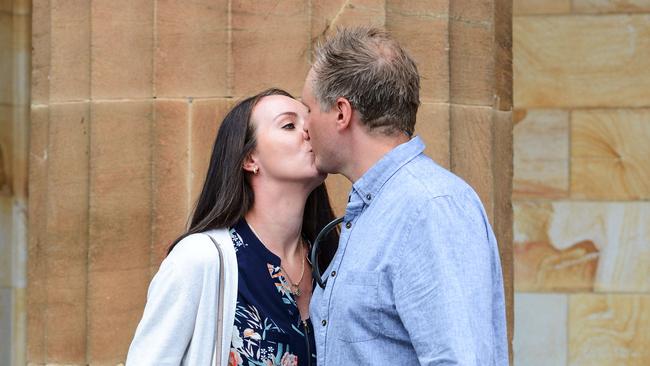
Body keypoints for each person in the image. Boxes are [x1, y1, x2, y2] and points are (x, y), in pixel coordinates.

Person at [301, 27, 508, 365]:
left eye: (308, 109)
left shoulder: (432, 206)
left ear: (341, 113)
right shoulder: (375, 208)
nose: (305, 126)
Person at [126, 88, 338, 366]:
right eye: (289, 125)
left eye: (309, 122)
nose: (308, 131)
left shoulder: (333, 260)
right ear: (250, 159)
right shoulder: (199, 259)